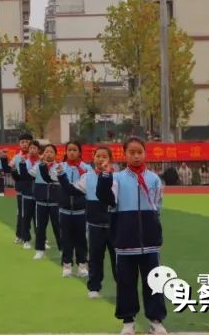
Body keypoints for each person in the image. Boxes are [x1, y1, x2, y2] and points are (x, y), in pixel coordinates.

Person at [97, 137, 166, 335]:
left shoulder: (153, 179)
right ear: (124, 154)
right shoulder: (116, 178)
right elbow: (107, 199)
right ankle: (128, 322)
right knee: (126, 283)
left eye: (139, 152)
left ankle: (156, 320)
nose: (136, 156)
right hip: (125, 241)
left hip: (150, 242)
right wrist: (104, 176)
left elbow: (158, 204)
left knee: (153, 282)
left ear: (145, 153)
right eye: (131, 152)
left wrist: (153, 226)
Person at [77, 145, 116, 299]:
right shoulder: (87, 177)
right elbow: (74, 190)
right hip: (94, 224)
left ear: (110, 160)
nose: (100, 159)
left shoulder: (116, 177)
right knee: (95, 256)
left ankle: (122, 285)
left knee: (117, 258)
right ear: (93, 158)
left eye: (104, 156)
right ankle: (94, 287)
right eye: (98, 156)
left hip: (114, 224)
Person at [59, 141, 90, 278]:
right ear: (65, 152)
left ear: (80, 152)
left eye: (74, 150)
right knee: (66, 239)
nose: (71, 152)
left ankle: (82, 265)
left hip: (81, 211)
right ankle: (66, 265)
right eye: (69, 150)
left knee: (81, 240)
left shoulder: (86, 168)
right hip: (64, 210)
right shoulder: (60, 167)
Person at [31, 144, 62, 261]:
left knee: (58, 227)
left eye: (51, 152)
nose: (48, 154)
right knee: (40, 228)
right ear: (43, 154)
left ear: (55, 154)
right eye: (46, 152)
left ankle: (62, 249)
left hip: (55, 202)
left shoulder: (59, 166)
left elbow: (58, 179)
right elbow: (29, 174)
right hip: (41, 202)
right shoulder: (37, 166)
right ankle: (39, 250)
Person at [7, 134, 34, 246]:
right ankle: (20, 235)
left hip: (34, 189)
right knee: (21, 213)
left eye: (27, 142)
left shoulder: (35, 156)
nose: (25, 144)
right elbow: (11, 168)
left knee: (36, 214)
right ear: (19, 144)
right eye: (22, 142)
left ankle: (43, 238)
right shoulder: (16, 157)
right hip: (22, 189)